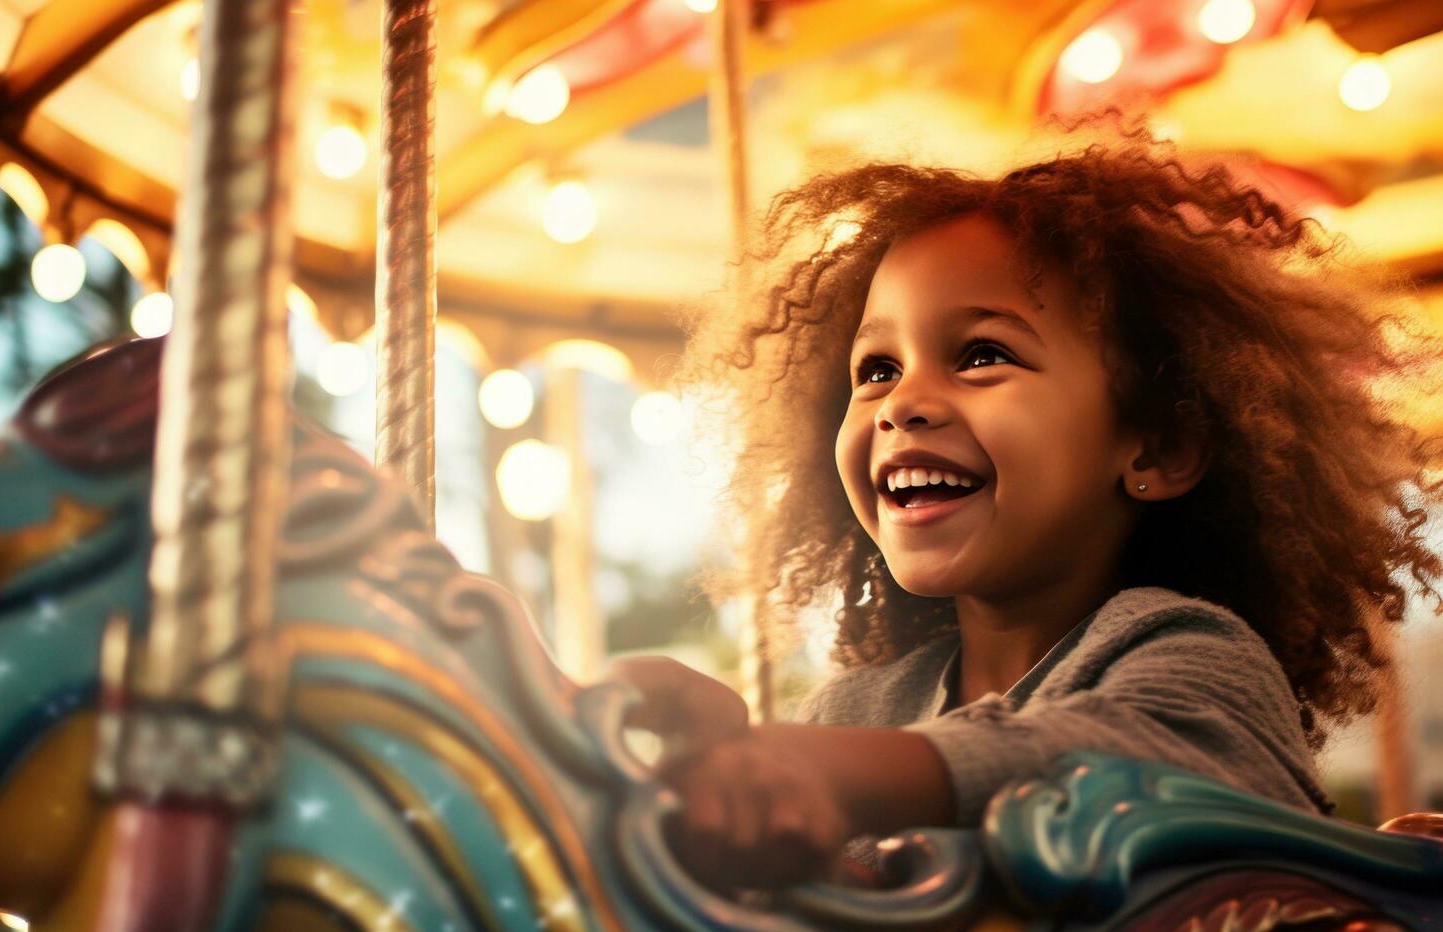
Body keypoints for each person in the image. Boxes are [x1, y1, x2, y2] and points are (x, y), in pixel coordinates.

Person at [609, 132, 1443, 893]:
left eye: (981, 355)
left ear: (1157, 450)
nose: (902, 404)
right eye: (875, 369)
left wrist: (808, 768)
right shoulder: (859, 710)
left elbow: (1107, 768)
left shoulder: (1190, 656)